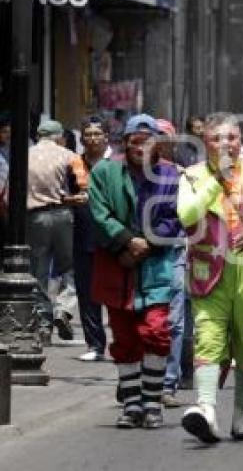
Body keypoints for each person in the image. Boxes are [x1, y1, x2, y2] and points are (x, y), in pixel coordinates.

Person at [178, 112, 243, 443]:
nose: (226, 144)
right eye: (217, 139)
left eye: (232, 138)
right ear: (206, 142)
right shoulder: (193, 177)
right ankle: (206, 409)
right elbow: (188, 215)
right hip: (207, 272)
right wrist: (216, 181)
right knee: (208, 337)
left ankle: (242, 415)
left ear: (241, 140)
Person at [88, 114, 181, 429]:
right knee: (124, 336)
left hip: (155, 266)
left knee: (155, 332)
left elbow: (174, 218)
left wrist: (146, 247)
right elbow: (99, 214)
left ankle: (152, 403)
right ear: (125, 142)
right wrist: (126, 244)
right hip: (116, 265)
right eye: (134, 140)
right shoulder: (104, 172)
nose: (141, 146)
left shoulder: (170, 175)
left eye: (147, 140)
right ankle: (131, 405)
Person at [27, 119, 89, 344]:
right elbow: (84, 187)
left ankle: (43, 324)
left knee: (38, 272)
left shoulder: (24, 155)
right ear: (59, 136)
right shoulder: (70, 156)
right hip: (63, 216)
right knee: (69, 269)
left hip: (34, 218)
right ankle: (63, 310)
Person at [154, 119, 190, 408]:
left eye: (163, 137)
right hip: (141, 253)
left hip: (175, 251)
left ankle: (168, 382)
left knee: (174, 321)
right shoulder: (133, 174)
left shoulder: (183, 175)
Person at [72, 117, 110, 361]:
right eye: (89, 134)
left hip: (111, 237)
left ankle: (123, 342)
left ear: (105, 137)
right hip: (83, 235)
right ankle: (95, 345)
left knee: (114, 291)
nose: (93, 138)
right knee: (86, 293)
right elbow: (64, 192)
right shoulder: (74, 164)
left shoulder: (116, 163)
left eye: (97, 134)